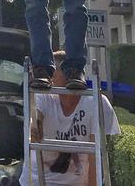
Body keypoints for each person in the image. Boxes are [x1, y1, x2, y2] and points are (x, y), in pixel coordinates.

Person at [29, 51, 120, 186]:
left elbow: (95, 156)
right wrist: (36, 124)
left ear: (68, 74)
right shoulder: (44, 96)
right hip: (38, 181)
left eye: (52, 72)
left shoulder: (96, 103)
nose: (48, 78)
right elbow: (37, 116)